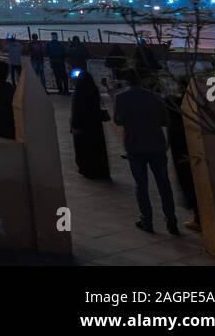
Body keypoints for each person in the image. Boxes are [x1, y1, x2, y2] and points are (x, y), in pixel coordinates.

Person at [112, 70, 179, 235]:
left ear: (127, 82)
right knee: (164, 184)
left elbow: (118, 120)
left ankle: (147, 220)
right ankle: (171, 221)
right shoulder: (156, 97)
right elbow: (165, 120)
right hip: (156, 144)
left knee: (141, 185)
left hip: (134, 146)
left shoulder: (120, 98)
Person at [164, 82, 200, 232]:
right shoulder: (197, 105)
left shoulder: (172, 104)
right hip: (197, 147)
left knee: (189, 183)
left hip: (182, 152)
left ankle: (198, 218)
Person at [70, 71, 111, 180]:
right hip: (94, 124)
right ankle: (99, 170)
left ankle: (87, 169)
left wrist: (74, 126)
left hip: (82, 126)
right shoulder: (94, 91)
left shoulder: (78, 93)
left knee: (84, 149)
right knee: (97, 148)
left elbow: (76, 111)